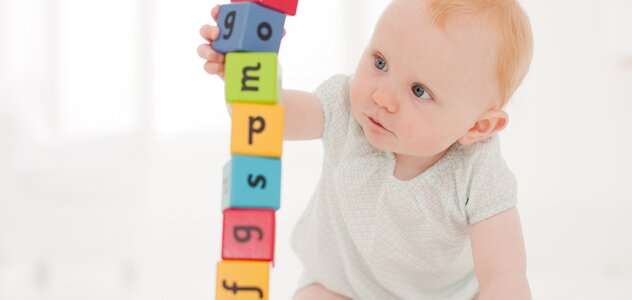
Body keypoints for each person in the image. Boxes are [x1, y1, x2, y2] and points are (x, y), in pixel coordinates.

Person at [198, 0, 533, 298]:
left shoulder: (480, 174)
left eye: (419, 91)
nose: (381, 97)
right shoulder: (344, 107)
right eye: (381, 62)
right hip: (340, 287)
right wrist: (242, 78)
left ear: (477, 127)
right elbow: (268, 117)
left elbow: (503, 274)